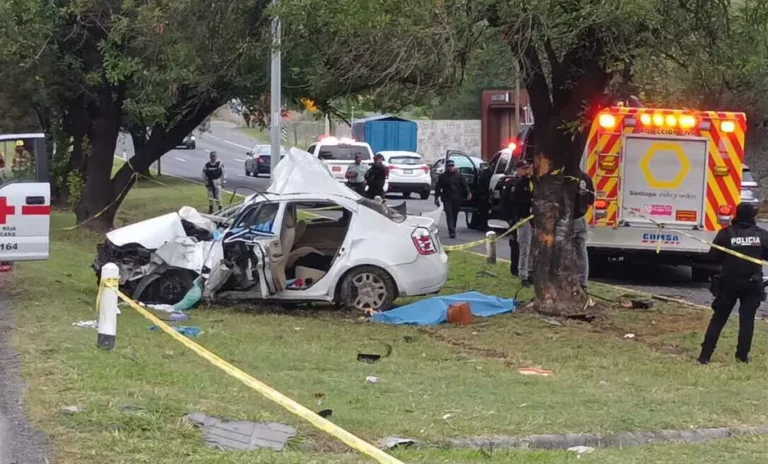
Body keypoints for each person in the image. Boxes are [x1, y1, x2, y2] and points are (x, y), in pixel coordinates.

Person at [698, 203, 768, 365]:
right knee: (747, 320)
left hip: (728, 282)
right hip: (752, 283)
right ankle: (742, 356)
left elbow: (713, 257)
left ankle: (705, 356)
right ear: (753, 216)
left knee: (718, 319)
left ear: (737, 214)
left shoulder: (725, 234)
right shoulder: (761, 235)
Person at [509, 159, 534, 286]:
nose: (527, 170)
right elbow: (514, 202)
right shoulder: (519, 184)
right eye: (524, 169)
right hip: (524, 219)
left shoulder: (534, 182)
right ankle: (523, 275)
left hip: (534, 220)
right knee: (525, 248)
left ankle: (530, 272)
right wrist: (515, 219)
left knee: (533, 249)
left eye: (528, 168)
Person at [434, 159, 471, 239]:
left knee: (455, 215)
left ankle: (453, 227)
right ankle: (451, 231)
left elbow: (465, 185)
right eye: (449, 166)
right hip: (447, 198)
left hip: (457, 198)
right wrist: (436, 198)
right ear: (447, 167)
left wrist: (468, 193)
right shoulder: (443, 176)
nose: (451, 168)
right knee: (449, 215)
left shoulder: (459, 176)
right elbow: (438, 187)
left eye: (452, 166)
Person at [573, 170, 595, 291]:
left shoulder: (566, 177)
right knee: (581, 251)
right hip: (581, 218)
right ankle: (582, 282)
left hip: (569, 220)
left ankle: (571, 279)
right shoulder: (586, 178)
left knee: (563, 250)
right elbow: (591, 199)